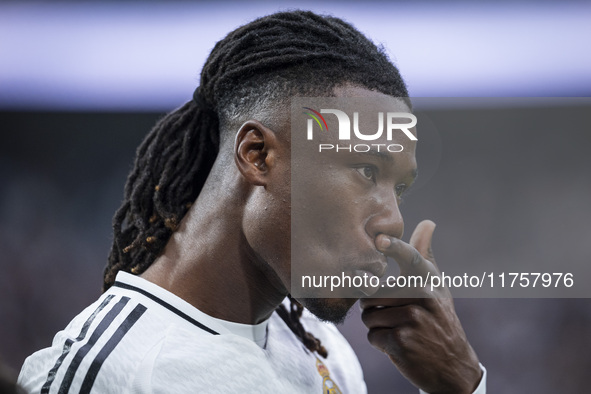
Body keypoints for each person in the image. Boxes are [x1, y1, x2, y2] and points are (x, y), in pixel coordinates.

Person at [18, 10, 486, 393]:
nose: (394, 222)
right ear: (257, 156)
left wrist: (460, 385)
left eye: (398, 188)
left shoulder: (319, 345)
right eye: (366, 171)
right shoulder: (115, 373)